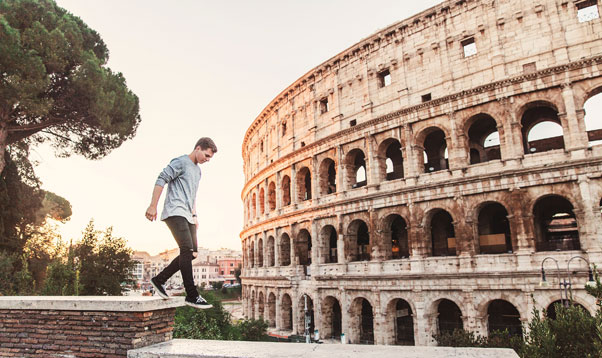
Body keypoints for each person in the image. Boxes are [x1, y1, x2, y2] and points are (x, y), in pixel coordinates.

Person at [145, 137, 217, 309]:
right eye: (206, 155)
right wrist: (153, 205)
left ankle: (159, 279)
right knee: (186, 249)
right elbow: (161, 178)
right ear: (198, 148)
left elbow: (192, 195)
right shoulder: (180, 162)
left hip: (188, 214)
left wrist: (195, 215)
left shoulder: (198, 172)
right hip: (174, 211)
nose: (207, 160)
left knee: (192, 254)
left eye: (209, 158)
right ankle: (192, 295)